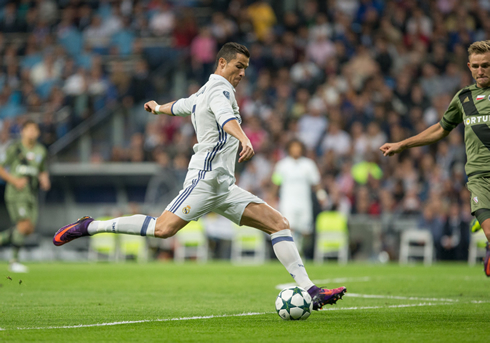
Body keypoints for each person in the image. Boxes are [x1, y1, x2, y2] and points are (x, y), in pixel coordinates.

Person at [53, 42, 346, 310]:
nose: (242, 72)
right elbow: (225, 117)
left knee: (279, 224)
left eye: (245, 67)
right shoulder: (220, 91)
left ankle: (310, 290)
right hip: (204, 180)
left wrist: (157, 108)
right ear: (222, 63)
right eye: (238, 66)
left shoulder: (201, 93)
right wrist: (244, 138)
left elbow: (179, 105)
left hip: (224, 186)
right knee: (162, 229)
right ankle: (90, 226)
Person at [380, 40, 490, 277]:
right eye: (477, 66)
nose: (481, 70)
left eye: (487, 65)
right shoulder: (464, 98)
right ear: (469, 66)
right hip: (479, 177)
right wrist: (402, 144)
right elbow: (440, 129)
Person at [0, 120, 50, 273]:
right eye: (28, 129)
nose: (31, 132)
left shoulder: (41, 151)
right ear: (22, 131)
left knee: (28, 229)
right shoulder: (15, 149)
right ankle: (14, 261)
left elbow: (42, 169)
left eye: (34, 129)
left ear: (38, 133)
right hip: (16, 193)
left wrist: (44, 178)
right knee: (23, 225)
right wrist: (14, 180)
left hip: (31, 194)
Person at [272, 139, 327, 257]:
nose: (296, 150)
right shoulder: (282, 165)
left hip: (304, 202)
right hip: (288, 202)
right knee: (289, 228)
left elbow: (316, 183)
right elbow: (276, 183)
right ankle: (293, 255)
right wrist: (271, 197)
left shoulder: (308, 164)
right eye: (293, 147)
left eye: (298, 147)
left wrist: (321, 195)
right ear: (289, 149)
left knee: (306, 231)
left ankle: (300, 250)